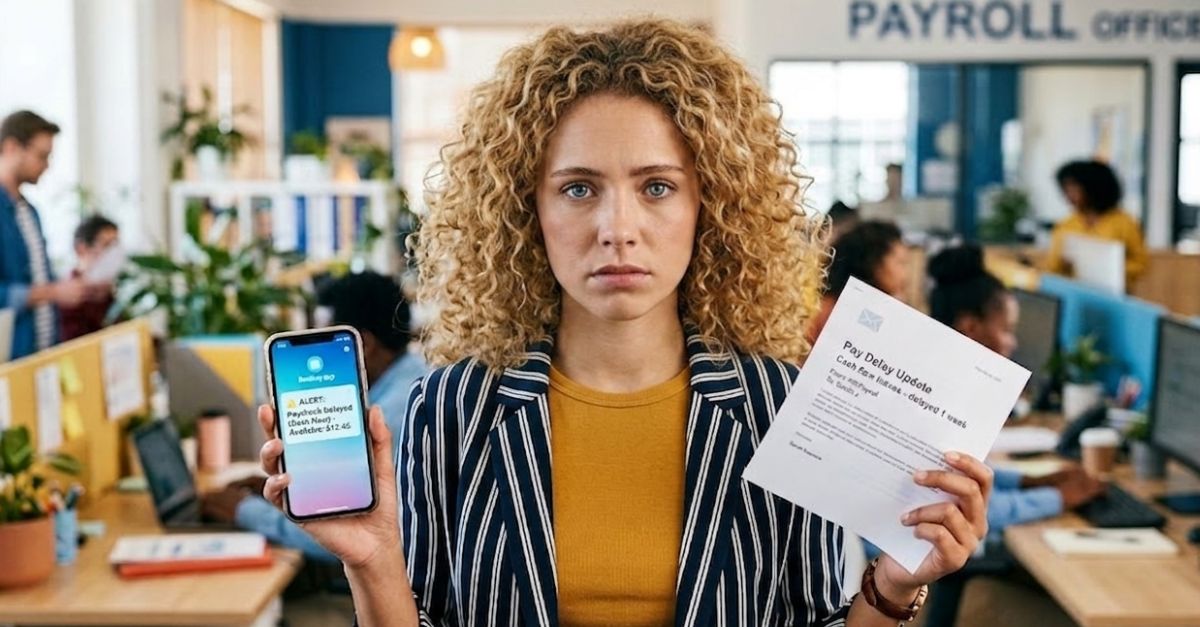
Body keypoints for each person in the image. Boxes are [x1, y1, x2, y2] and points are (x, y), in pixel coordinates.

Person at [254, 20, 993, 627]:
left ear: (710, 206)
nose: (617, 227)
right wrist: (374, 560)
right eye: (578, 188)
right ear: (527, 210)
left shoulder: (778, 404)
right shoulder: (453, 407)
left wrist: (893, 587)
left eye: (657, 187)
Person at [923, 244, 1103, 627]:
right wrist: (1055, 496)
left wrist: (1029, 479)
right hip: (918, 577)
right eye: (1006, 330)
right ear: (971, 327)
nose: (1013, 343)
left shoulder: (940, 377)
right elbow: (966, 506)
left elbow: (968, 473)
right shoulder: (937, 397)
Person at [201, 271, 428, 564]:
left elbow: (346, 534)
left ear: (365, 344)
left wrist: (244, 511)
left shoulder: (394, 414)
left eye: (327, 339)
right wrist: (294, 491)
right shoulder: (415, 379)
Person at [0, 110, 92, 359]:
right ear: (11, 148)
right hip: (10, 357)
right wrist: (53, 292)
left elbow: (37, 277)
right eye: (42, 156)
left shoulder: (30, 212)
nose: (46, 166)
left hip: (40, 354)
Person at [1044, 159, 1148, 287]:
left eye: (1073, 189)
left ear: (1091, 188)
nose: (1069, 196)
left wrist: (1113, 269)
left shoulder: (1124, 222)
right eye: (1065, 190)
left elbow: (1140, 263)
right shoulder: (1065, 225)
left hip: (1114, 295)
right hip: (1076, 293)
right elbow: (1051, 267)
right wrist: (1063, 264)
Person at [809, 220, 908, 343]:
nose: (905, 274)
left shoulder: (878, 311)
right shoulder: (833, 311)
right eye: (900, 263)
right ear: (873, 262)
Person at [60, 214, 120, 341]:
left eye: (116, 246)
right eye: (107, 246)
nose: (114, 255)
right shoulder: (66, 301)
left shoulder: (110, 295)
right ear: (81, 249)